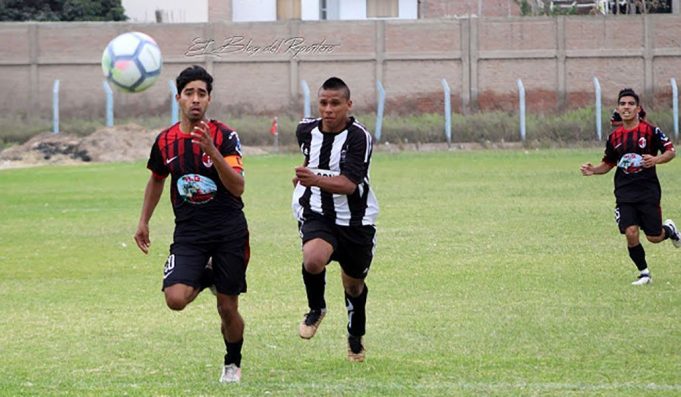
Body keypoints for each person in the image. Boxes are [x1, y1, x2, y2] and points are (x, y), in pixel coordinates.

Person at [133, 65, 250, 383]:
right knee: (175, 300)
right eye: (189, 93)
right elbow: (156, 180)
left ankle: (232, 362)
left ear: (209, 99)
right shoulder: (166, 140)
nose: (195, 99)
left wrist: (212, 149)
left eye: (201, 93)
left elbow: (238, 186)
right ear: (178, 98)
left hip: (228, 231)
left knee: (227, 308)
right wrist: (143, 221)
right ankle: (207, 273)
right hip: (190, 233)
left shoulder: (225, 136)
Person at [291, 77, 379, 362]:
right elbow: (311, 161)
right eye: (323, 103)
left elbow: (350, 184)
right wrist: (304, 176)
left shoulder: (358, 136)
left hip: (356, 221)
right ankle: (316, 308)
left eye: (335, 103)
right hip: (319, 213)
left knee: (353, 285)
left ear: (348, 105)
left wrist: (313, 178)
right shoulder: (305, 130)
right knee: (313, 259)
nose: (328, 109)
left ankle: (355, 335)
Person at [580, 87, 680, 285]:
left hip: (648, 191)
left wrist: (656, 159)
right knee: (631, 232)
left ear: (637, 108)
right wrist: (594, 170)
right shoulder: (614, 137)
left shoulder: (650, 131)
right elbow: (609, 163)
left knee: (654, 236)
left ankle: (669, 230)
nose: (626, 107)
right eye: (623, 104)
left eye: (631, 104)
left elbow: (671, 151)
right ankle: (644, 273)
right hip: (624, 193)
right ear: (618, 108)